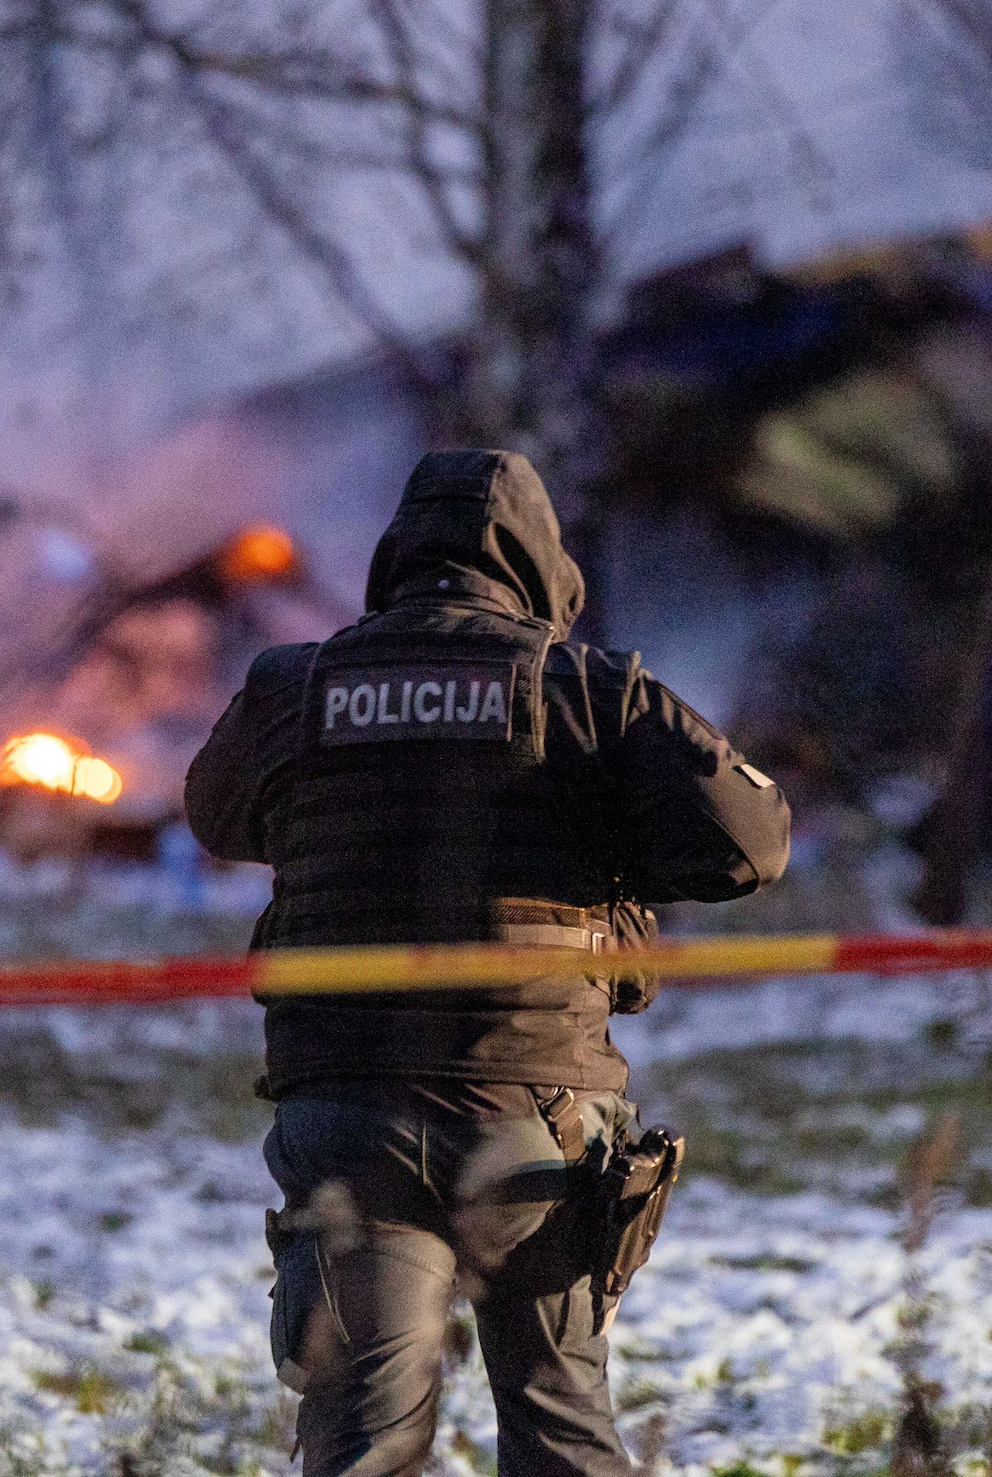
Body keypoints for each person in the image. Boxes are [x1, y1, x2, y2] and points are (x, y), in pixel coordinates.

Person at [184, 449, 790, 1477]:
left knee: (361, 1448)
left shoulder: (304, 686)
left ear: (396, 557)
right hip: (534, 1125)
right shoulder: (592, 692)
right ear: (541, 565)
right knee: (560, 1429)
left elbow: (216, 813)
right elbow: (752, 843)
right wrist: (612, 835)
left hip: (351, 1121)